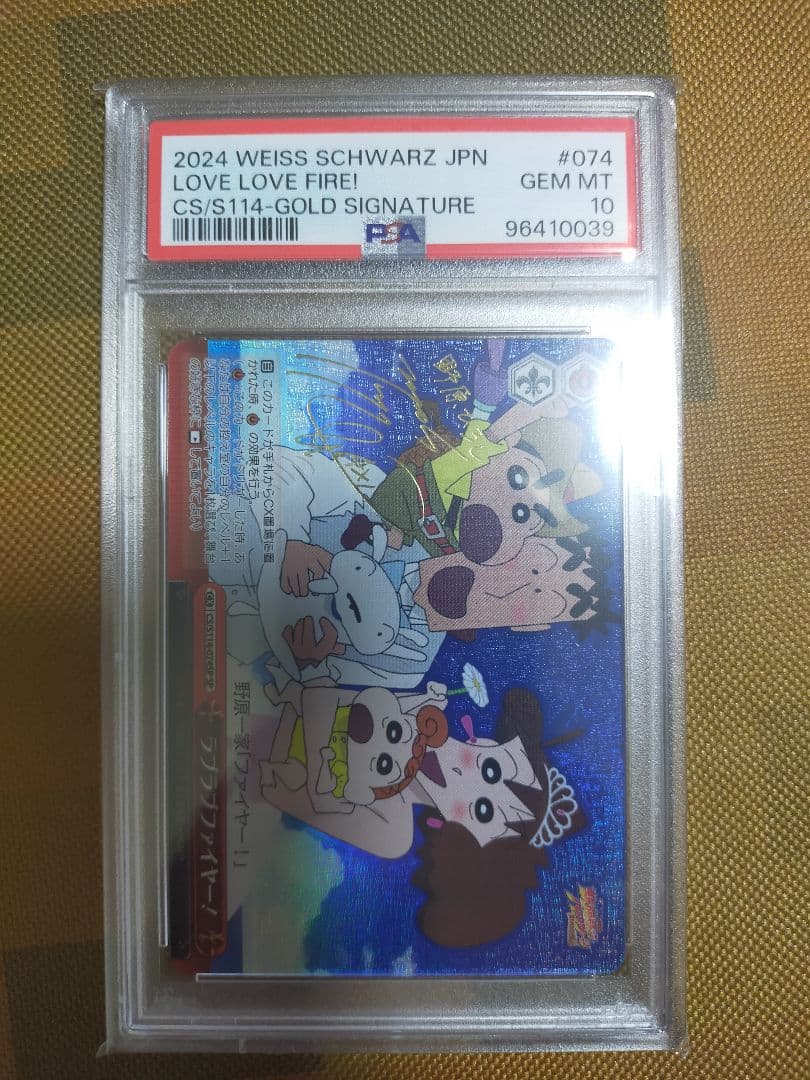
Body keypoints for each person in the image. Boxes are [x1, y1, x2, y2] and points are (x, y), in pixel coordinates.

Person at [259, 686, 584, 948]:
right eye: (490, 767)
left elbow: (287, 791)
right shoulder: (430, 749)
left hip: (278, 753)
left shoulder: (394, 829)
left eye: (482, 810)